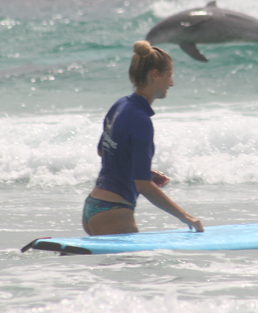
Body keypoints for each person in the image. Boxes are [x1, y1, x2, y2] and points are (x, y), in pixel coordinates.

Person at [82, 41, 204, 235]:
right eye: (169, 75)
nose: (171, 83)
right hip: (114, 213)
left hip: (94, 205)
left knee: (120, 266)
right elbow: (143, 186)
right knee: (132, 265)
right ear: (155, 75)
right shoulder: (141, 120)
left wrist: (143, 170)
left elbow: (103, 150)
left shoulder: (120, 105)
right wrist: (185, 216)